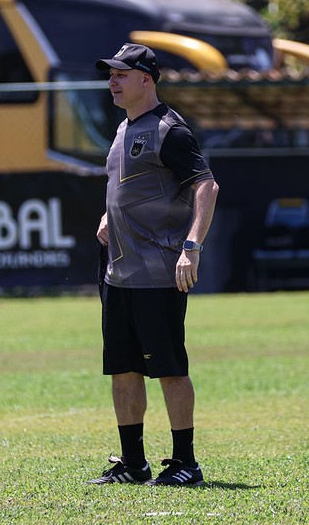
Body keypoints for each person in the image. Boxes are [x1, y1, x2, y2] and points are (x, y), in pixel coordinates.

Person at [86, 43, 219, 487]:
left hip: (158, 272)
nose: (112, 81)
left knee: (169, 368)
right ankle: (133, 463)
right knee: (123, 369)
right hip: (118, 273)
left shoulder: (169, 130)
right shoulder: (124, 129)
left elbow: (206, 186)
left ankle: (186, 463)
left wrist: (192, 246)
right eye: (110, 74)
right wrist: (110, 215)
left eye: (121, 74)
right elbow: (130, 188)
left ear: (147, 78)